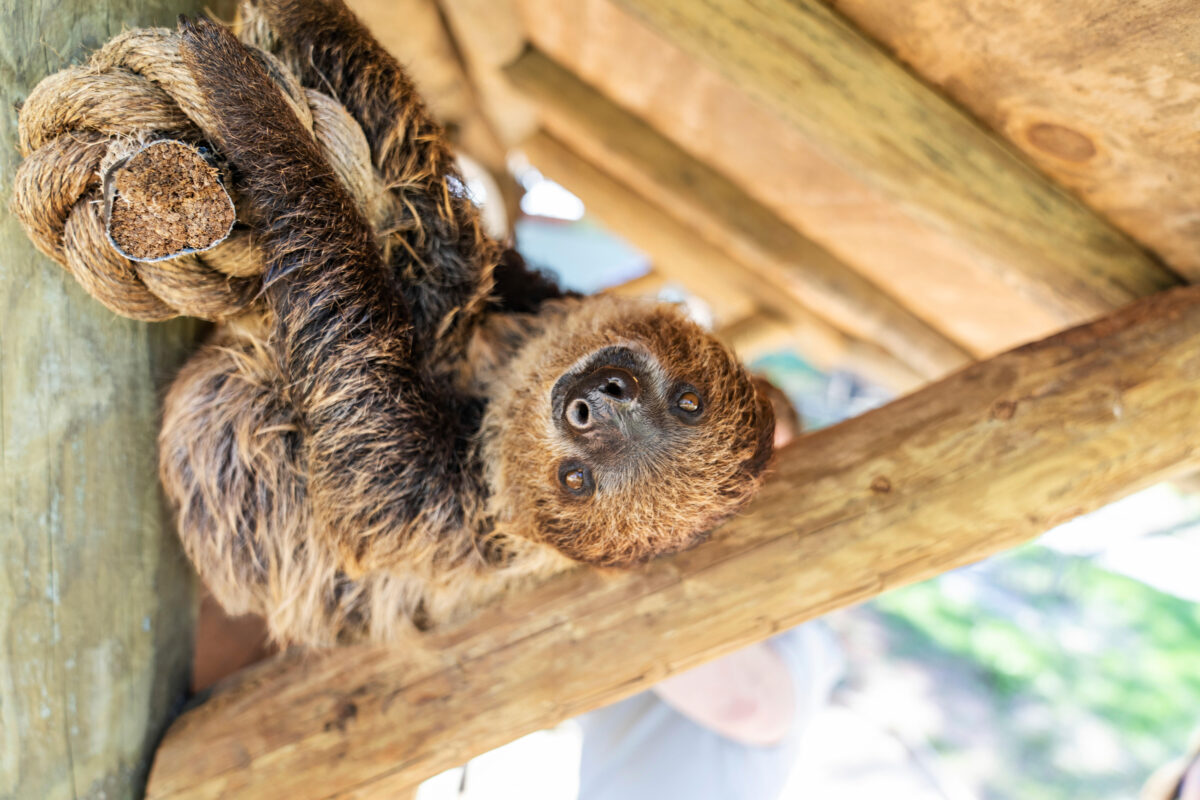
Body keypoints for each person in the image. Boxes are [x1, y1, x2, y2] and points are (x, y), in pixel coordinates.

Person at [576, 377, 845, 800]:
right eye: (727, 472)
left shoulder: (807, 627)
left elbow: (749, 707)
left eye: (763, 476)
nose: (740, 498)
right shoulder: (647, 559)